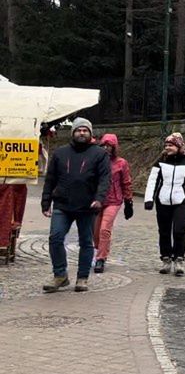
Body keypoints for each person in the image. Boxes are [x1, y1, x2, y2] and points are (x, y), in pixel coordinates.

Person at [41, 118, 110, 293]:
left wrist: (99, 198)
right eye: (78, 130)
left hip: (87, 206)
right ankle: (60, 275)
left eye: (85, 130)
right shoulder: (60, 153)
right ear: (73, 132)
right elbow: (50, 179)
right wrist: (46, 201)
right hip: (62, 205)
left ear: (90, 133)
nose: (81, 133)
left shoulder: (99, 154)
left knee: (86, 242)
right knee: (55, 238)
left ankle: (82, 278)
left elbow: (104, 179)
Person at [145, 132, 185, 277]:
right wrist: (148, 199)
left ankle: (179, 259)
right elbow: (152, 180)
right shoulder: (160, 162)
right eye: (166, 145)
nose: (167, 148)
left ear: (178, 146)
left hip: (182, 201)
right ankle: (166, 258)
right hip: (163, 200)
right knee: (164, 231)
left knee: (178, 230)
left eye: (170, 145)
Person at [93, 133, 133, 274]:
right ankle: (100, 249)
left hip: (114, 200)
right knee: (95, 232)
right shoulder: (96, 161)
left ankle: (101, 258)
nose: (106, 148)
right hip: (97, 200)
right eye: (104, 145)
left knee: (105, 228)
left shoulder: (121, 163)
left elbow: (126, 182)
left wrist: (128, 201)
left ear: (114, 147)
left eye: (109, 146)